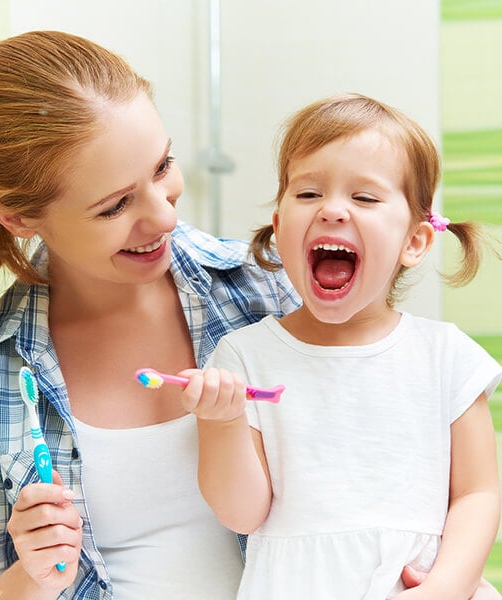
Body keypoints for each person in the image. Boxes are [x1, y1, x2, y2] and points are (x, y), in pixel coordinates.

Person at [0, 30, 301, 599]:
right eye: (114, 205)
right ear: (16, 217)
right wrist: (32, 577)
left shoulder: (267, 291)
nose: (162, 217)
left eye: (163, 167)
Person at [178, 94, 502, 599]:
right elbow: (242, 514)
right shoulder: (244, 357)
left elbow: (478, 493)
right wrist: (220, 421)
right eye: (308, 193)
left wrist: (447, 588)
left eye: (366, 198)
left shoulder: (447, 357)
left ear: (414, 241)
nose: (331, 210)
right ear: (281, 228)